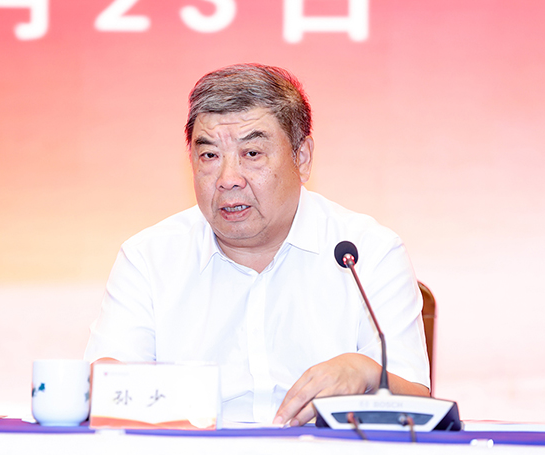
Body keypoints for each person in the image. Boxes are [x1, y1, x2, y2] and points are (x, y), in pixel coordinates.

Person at [84, 64, 430, 426]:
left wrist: (368, 373)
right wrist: (107, 385)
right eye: (209, 156)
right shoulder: (149, 258)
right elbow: (108, 395)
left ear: (302, 158)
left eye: (252, 153)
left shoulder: (368, 253)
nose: (228, 179)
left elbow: (420, 409)